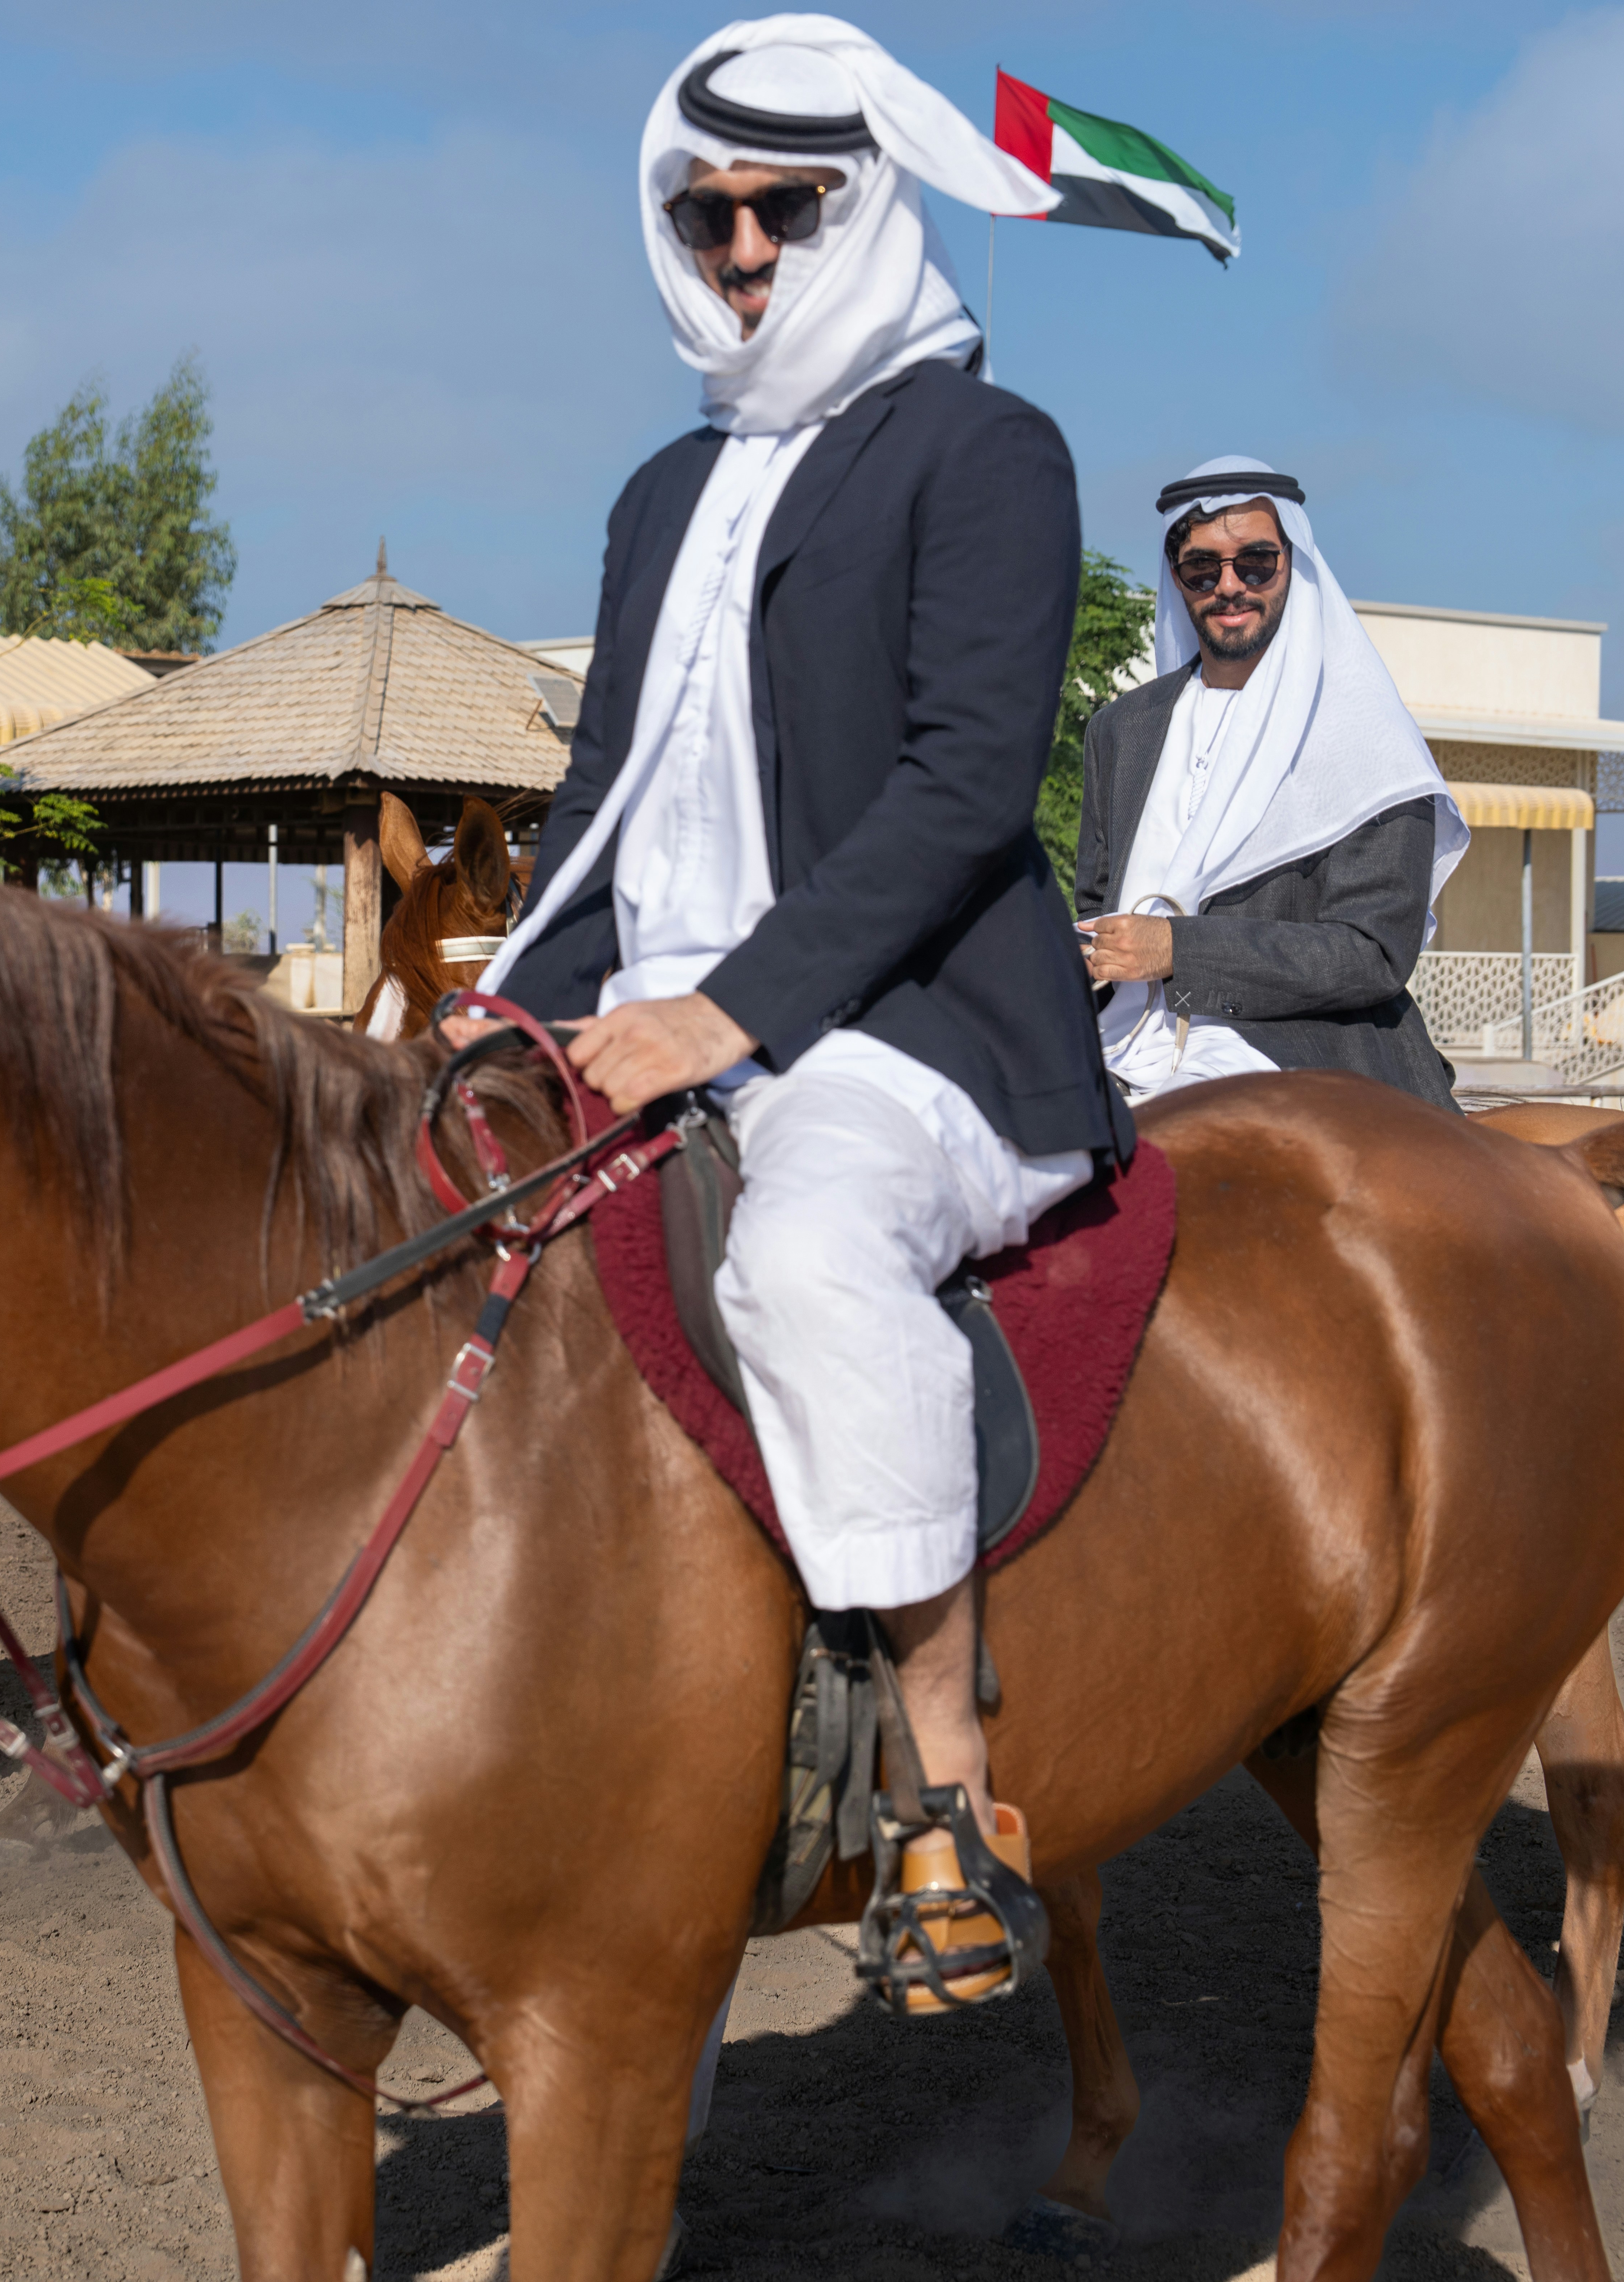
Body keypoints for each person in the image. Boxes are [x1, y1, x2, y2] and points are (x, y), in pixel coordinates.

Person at [462, 15, 1126, 2009]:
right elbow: (597, 803)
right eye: (707, 211)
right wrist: (505, 1007)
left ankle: (943, 1775)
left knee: (811, 1259)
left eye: (782, 208)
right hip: (661, 1006)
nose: (740, 248)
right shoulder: (666, 493)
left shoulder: (987, 447)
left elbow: (965, 785)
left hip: (915, 1029)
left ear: (863, 206)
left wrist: (729, 1015)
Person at [1074, 461, 1468, 1105]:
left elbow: (1371, 953)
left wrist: (1180, 950)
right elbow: (1097, 908)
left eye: (1254, 562)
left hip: (1294, 1049)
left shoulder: (1364, 735)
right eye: (1203, 568)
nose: (1228, 586)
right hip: (1117, 1036)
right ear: (1176, 579)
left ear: (1295, 563)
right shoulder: (1121, 729)